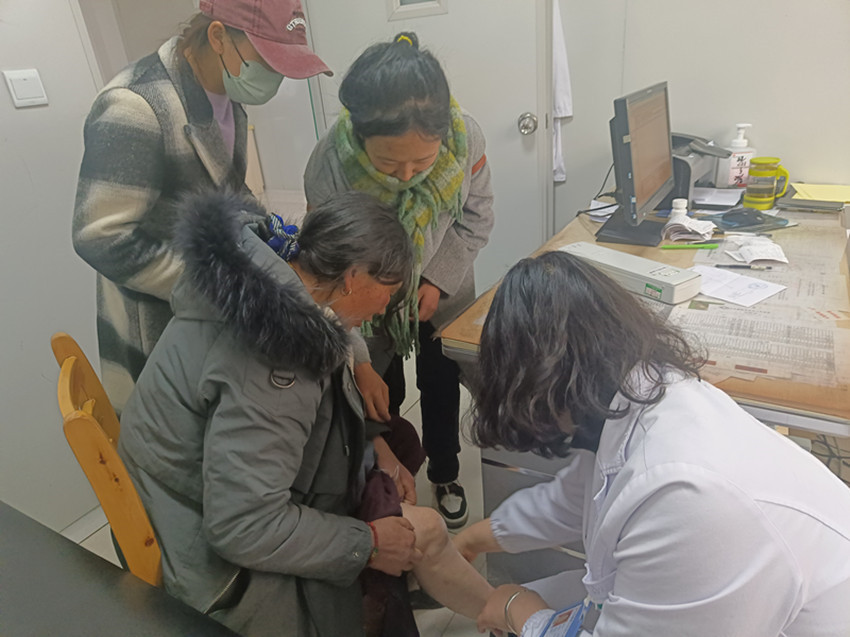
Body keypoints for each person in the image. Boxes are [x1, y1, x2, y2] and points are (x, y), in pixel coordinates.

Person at [116, 189, 492, 637]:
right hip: (208, 554)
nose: (384, 308)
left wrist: (377, 446)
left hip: (185, 493)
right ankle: (509, 617)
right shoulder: (275, 366)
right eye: (388, 292)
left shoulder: (262, 278)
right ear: (352, 277)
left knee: (398, 454)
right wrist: (368, 544)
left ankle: (496, 611)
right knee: (422, 529)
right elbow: (243, 526)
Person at [453, 251, 850, 637]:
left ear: (542, 385)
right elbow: (570, 500)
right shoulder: (633, 397)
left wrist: (520, 612)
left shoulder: (688, 495)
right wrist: (473, 539)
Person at [73, 0, 331, 413]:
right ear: (218, 36)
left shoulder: (225, 92)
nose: (275, 77)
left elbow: (224, 188)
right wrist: (226, 286)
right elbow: (100, 237)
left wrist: (279, 242)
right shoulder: (134, 107)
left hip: (204, 308)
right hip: (155, 314)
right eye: (267, 61)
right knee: (175, 434)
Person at [304, 32, 495, 529]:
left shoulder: (466, 139)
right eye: (388, 164)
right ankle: (391, 486)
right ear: (360, 134)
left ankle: (446, 474)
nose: (407, 175)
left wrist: (436, 279)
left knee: (441, 380)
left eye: (422, 163)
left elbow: (477, 218)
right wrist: (358, 357)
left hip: (444, 289)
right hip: (366, 303)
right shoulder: (329, 167)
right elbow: (330, 272)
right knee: (377, 390)